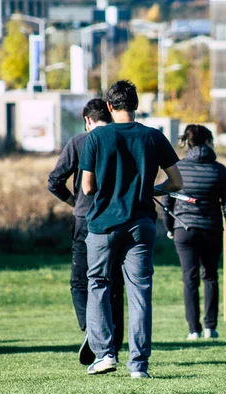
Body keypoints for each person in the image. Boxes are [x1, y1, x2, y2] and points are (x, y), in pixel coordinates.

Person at [79, 80, 183, 378]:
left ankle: (105, 354)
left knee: (98, 284)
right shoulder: (153, 137)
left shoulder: (97, 138)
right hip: (141, 223)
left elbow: (86, 187)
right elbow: (177, 182)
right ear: (136, 105)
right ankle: (139, 365)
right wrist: (153, 189)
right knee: (140, 292)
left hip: (103, 225)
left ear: (109, 107)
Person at [47, 98, 125, 366]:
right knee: (114, 281)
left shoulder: (80, 142)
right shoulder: (122, 139)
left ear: (87, 120)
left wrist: (74, 202)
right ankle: (114, 340)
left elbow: (54, 180)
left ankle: (91, 332)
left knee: (80, 281)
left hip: (86, 217)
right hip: (119, 217)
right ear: (111, 115)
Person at [162, 124, 226, 341]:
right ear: (209, 143)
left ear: (188, 143)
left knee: (189, 278)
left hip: (184, 228)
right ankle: (211, 327)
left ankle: (194, 329)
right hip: (211, 228)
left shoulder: (179, 168)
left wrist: (169, 227)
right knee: (210, 276)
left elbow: (166, 198)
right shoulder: (219, 170)